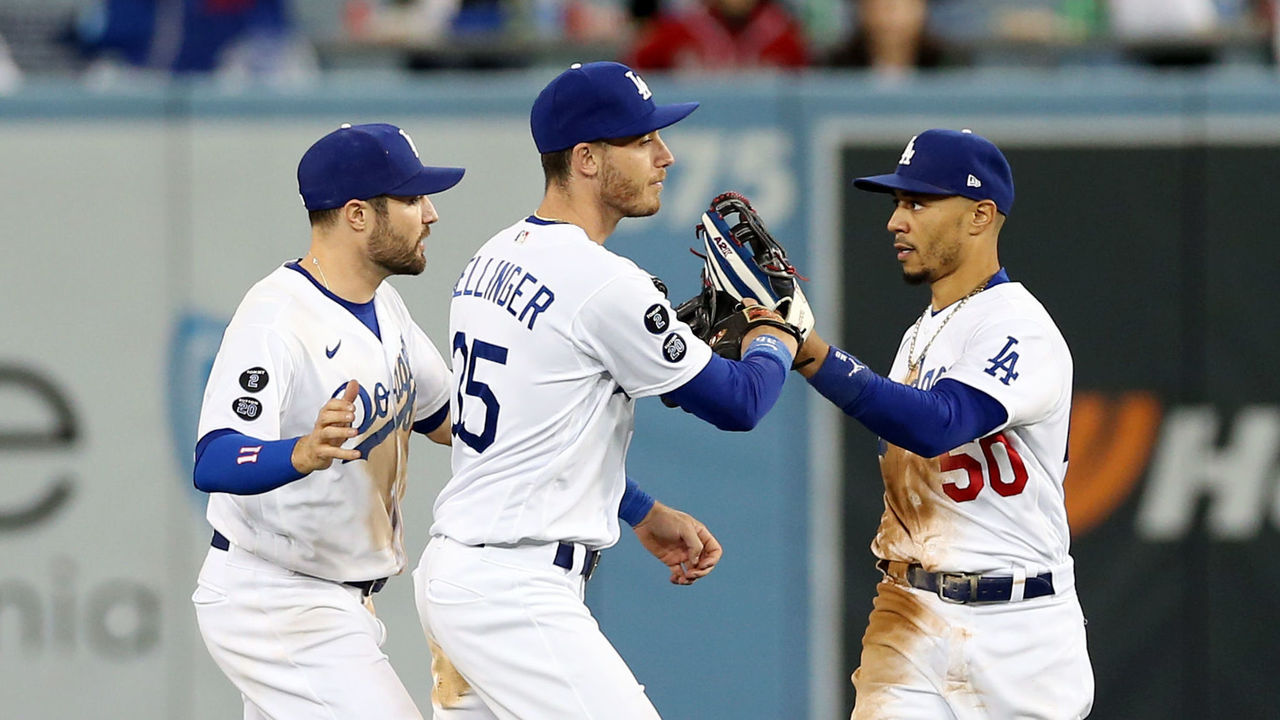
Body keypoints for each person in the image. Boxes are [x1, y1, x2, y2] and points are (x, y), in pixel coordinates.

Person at [413, 60, 803, 719]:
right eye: (643, 140)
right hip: (514, 590)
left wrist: (642, 511)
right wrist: (777, 332)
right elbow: (741, 403)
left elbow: (533, 437)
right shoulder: (602, 282)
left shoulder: (491, 257)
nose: (666, 155)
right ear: (588, 159)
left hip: (468, 574)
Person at [790, 129, 1094, 718]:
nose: (896, 222)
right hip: (910, 611)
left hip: (1019, 631)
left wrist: (816, 356)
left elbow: (941, 423)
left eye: (918, 203)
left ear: (981, 216)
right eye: (898, 203)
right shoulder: (922, 331)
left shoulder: (1017, 325)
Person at [190, 122, 464, 720]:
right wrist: (301, 452)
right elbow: (212, 457)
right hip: (276, 596)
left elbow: (453, 420)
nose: (432, 213)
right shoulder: (276, 317)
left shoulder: (383, 305)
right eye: (413, 199)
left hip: (336, 599)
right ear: (358, 215)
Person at [625, 0, 809, 71]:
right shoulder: (679, 29)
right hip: (691, 132)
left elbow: (811, 90)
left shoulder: (784, 34)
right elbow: (634, 73)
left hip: (764, 134)